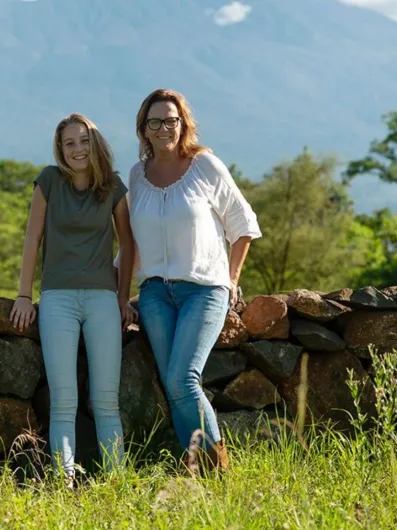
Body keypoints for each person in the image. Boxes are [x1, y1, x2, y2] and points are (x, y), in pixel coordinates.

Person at [116, 88, 261, 472]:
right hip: (154, 296)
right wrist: (119, 294)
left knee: (183, 379)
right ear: (143, 130)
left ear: (183, 124)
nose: (164, 128)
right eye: (155, 122)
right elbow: (130, 243)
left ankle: (219, 470)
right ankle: (197, 467)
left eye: (171, 120)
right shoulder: (137, 176)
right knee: (172, 384)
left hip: (204, 290)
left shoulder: (205, 165)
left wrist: (231, 280)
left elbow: (243, 224)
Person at [10, 112, 135, 482]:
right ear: (60, 149)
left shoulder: (112, 186)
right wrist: (22, 295)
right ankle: (64, 484)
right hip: (57, 300)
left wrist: (124, 297)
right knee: (63, 402)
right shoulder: (48, 180)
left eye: (83, 140)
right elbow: (32, 239)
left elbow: (128, 244)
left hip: (102, 301)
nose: (77, 149)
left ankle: (117, 484)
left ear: (94, 142)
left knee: (106, 402)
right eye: (69, 143)